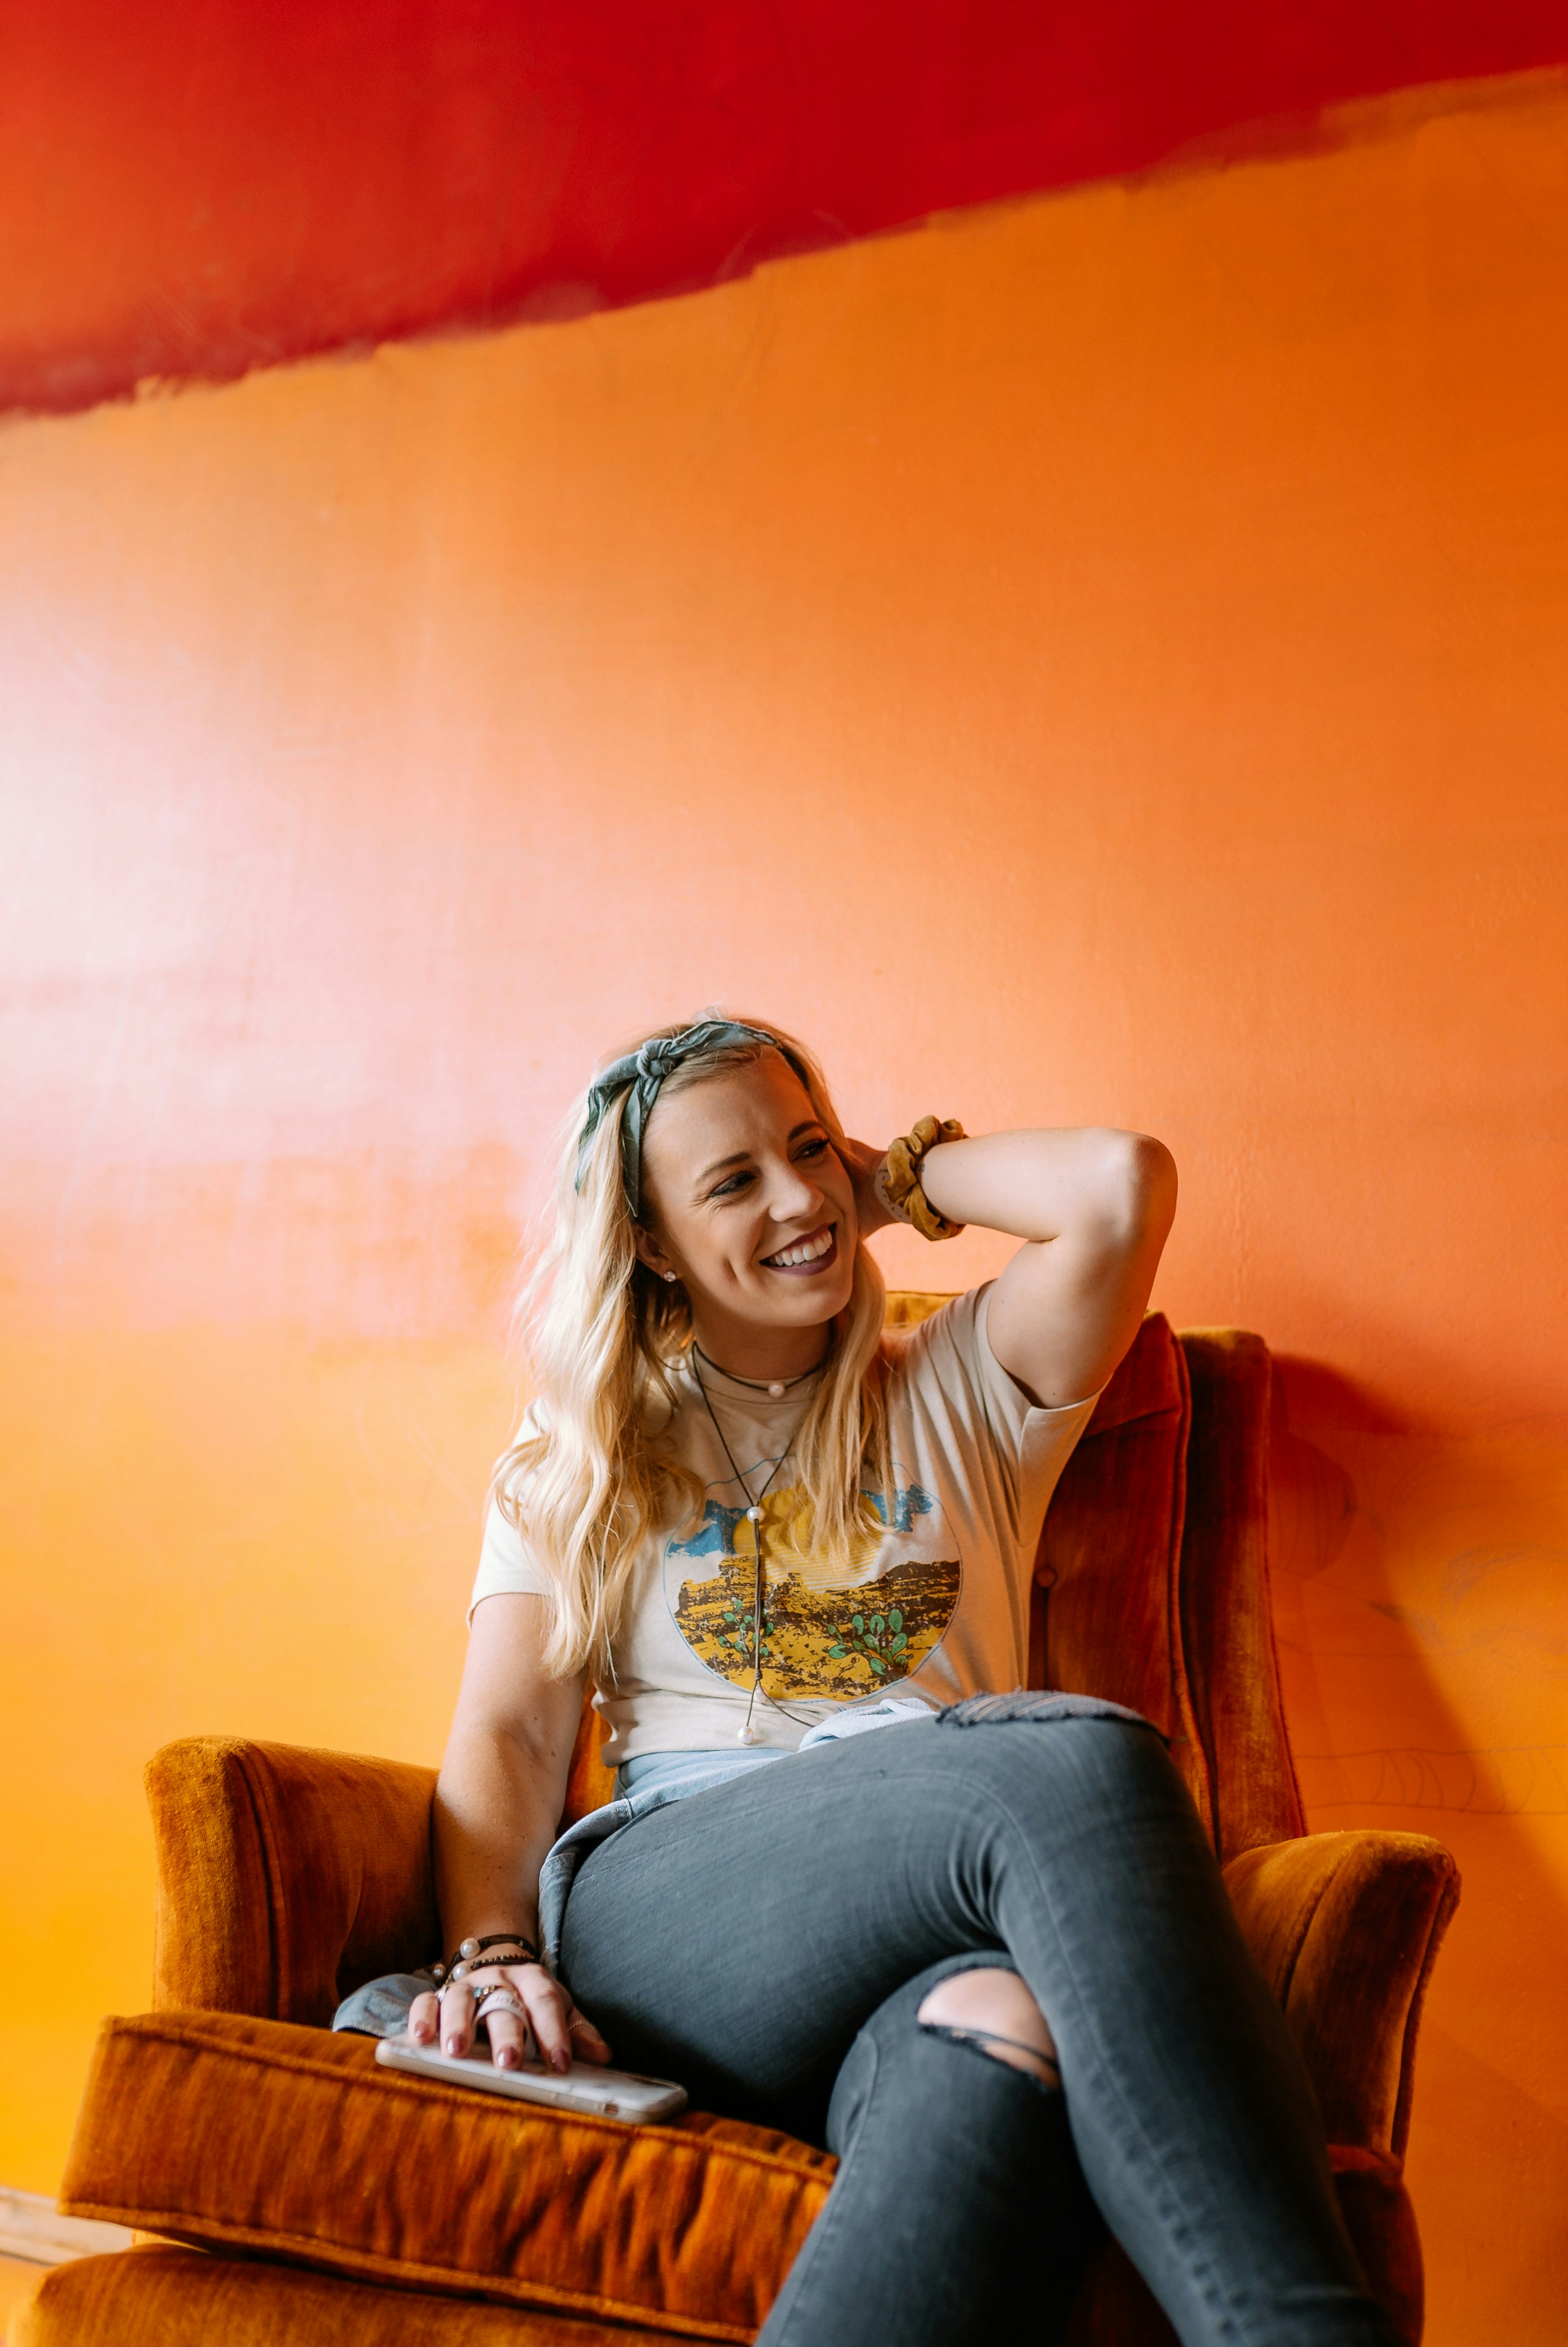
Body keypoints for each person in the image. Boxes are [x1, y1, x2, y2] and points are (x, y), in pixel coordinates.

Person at [337, 1015, 1394, 2347]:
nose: (796, 1201)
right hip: (677, 1912)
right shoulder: (587, 1447)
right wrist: (489, 1944)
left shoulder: (964, 1387)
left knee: (1000, 2030)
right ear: (650, 1240)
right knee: (1076, 1759)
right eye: (732, 1182)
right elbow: (504, 1729)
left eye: (804, 1149)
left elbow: (1123, 1182)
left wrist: (886, 1180)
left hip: (939, 1918)